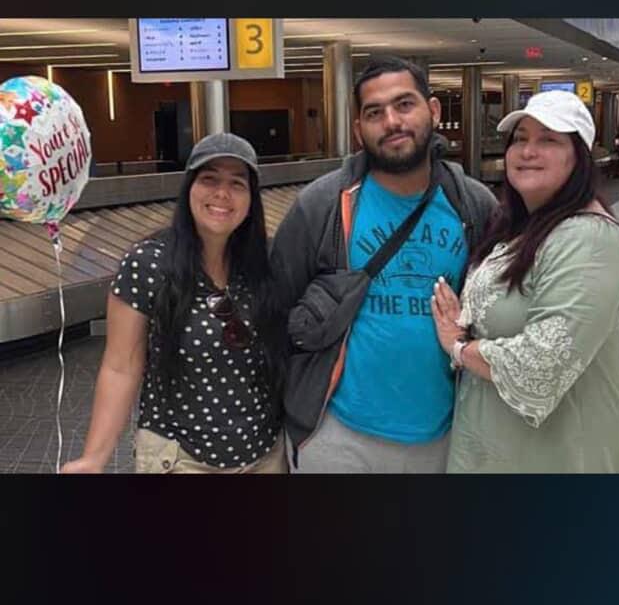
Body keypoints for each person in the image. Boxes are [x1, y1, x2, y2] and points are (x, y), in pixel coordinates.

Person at [270, 55, 499, 473]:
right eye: (374, 113)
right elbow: (275, 305)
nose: (392, 121)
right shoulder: (323, 205)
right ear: (359, 131)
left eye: (404, 104)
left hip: (443, 434)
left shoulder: (474, 206)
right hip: (336, 435)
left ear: (432, 110)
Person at [431, 90, 619, 474]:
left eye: (549, 140)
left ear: (579, 158)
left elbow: (541, 365)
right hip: (492, 448)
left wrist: (458, 347)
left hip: (557, 456)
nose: (527, 151)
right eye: (520, 139)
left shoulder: (589, 239)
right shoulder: (518, 228)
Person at [62, 133, 287, 474]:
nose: (222, 194)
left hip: (265, 456)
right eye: (209, 179)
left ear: (252, 198)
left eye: (237, 184)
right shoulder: (149, 263)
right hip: (179, 458)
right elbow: (121, 366)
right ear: (189, 189)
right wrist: (94, 458)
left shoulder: (267, 263)